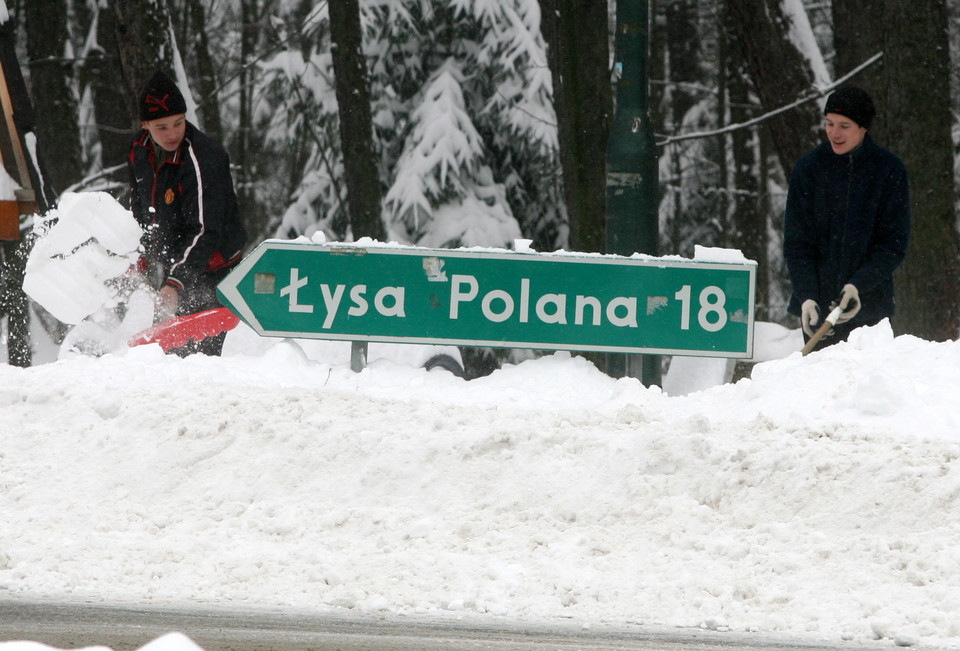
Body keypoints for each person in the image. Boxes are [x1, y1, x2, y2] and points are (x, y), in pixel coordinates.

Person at [128, 70, 247, 356]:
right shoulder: (138, 151)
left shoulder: (204, 159)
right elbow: (140, 209)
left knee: (200, 360)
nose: (171, 134)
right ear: (145, 125)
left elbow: (207, 231)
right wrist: (138, 254)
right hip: (172, 266)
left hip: (213, 269)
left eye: (178, 123)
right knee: (163, 355)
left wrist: (176, 281)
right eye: (161, 127)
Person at [783, 86, 910, 352]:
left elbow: (892, 244)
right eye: (829, 123)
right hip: (817, 315)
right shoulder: (808, 170)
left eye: (844, 125)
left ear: (863, 127)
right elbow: (797, 244)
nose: (834, 133)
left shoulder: (888, 171)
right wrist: (806, 297)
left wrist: (857, 286)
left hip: (870, 311)